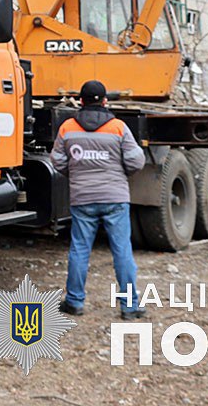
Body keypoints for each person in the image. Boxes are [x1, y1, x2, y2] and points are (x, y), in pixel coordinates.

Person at [51, 80, 145, 319]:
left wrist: (78, 174)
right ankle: (130, 306)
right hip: (115, 197)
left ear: (81, 101)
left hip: (83, 198)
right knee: (122, 250)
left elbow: (58, 160)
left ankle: (74, 302)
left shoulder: (67, 127)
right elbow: (136, 162)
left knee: (80, 249)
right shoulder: (118, 127)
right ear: (105, 101)